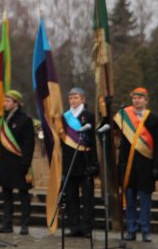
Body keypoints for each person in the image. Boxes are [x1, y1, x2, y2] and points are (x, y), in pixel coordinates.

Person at [114, 87, 158, 243]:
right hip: (127, 166)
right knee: (130, 200)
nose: (136, 100)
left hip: (146, 167)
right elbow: (110, 128)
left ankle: (146, 230)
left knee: (145, 201)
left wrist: (157, 167)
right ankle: (131, 229)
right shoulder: (124, 116)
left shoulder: (153, 118)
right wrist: (105, 109)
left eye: (140, 98)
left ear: (146, 100)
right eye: (134, 98)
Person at [0, 89, 35, 236]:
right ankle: (7, 223)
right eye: (4, 100)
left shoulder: (25, 120)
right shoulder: (3, 120)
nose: (4, 103)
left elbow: (28, 145)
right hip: (6, 165)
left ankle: (24, 224)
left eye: (8, 101)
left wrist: (25, 164)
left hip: (20, 164)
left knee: (23, 195)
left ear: (16, 103)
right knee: (6, 195)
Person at [60, 87, 98, 237]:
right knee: (70, 196)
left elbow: (93, 141)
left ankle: (87, 228)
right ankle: (74, 227)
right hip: (69, 160)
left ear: (83, 99)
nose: (73, 100)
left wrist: (95, 163)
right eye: (71, 98)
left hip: (85, 160)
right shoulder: (64, 117)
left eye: (76, 98)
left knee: (87, 197)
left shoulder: (88, 115)